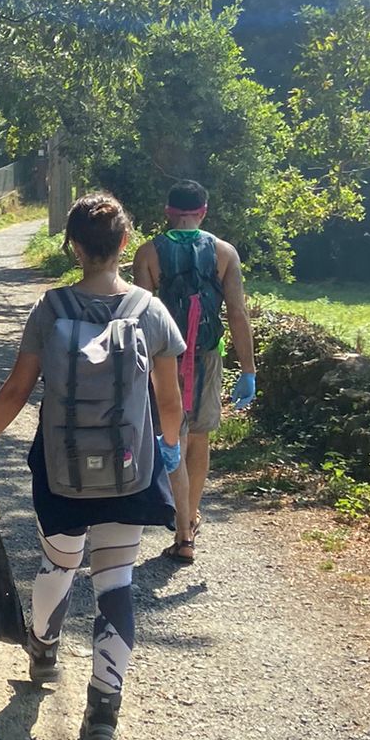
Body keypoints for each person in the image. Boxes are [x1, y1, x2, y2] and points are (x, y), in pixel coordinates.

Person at [0, 193, 185, 740]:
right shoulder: (151, 312)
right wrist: (167, 449)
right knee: (115, 583)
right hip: (129, 469)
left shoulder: (50, 310)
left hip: (61, 467)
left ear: (73, 247)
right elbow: (169, 402)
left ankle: (44, 647)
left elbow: (17, 388)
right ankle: (103, 710)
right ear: (125, 243)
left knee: (60, 562)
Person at [131, 179, 256, 566]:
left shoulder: (148, 252)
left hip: (162, 360)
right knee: (199, 438)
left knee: (172, 440)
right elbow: (237, 312)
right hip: (207, 357)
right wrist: (248, 370)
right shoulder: (224, 253)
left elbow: (139, 316)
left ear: (167, 212)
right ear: (203, 211)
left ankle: (182, 529)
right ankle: (191, 521)